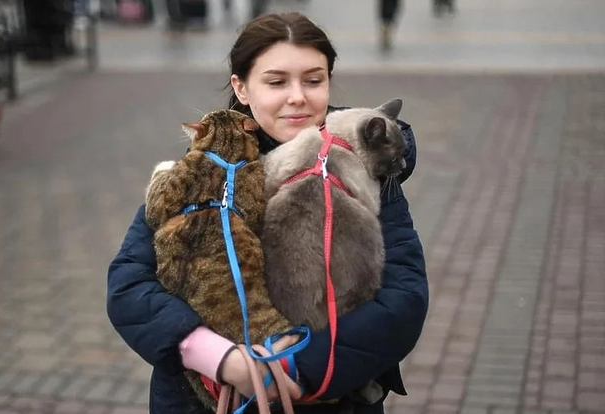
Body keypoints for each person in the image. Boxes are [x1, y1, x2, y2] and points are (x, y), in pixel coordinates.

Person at [106, 11, 428, 414]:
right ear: (241, 88)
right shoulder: (203, 168)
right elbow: (128, 285)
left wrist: (298, 368)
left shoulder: (365, 171)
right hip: (204, 400)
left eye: (314, 80)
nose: (298, 97)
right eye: (276, 82)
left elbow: (404, 300)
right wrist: (216, 357)